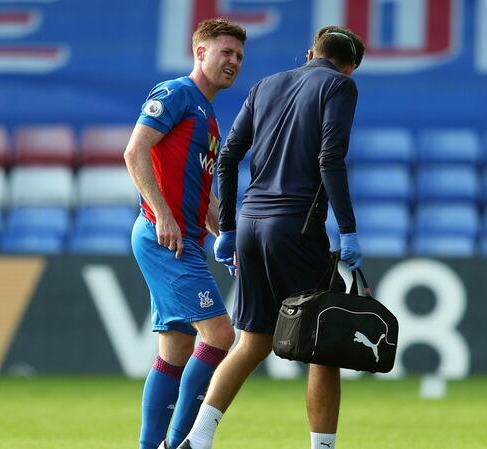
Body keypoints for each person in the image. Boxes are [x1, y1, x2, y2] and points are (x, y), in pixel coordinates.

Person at [176, 26, 365, 449]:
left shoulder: (265, 85)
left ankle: (198, 439)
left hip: (250, 226)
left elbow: (227, 157)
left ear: (310, 51)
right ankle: (323, 447)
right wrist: (348, 230)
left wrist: (227, 228)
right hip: (295, 228)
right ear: (349, 67)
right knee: (324, 344)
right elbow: (330, 157)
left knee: (254, 341)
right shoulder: (340, 88)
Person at [123, 18, 246, 449]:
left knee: (174, 351)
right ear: (200, 52)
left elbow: (203, 197)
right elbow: (134, 151)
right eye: (225, 52)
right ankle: (181, 443)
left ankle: (151, 446)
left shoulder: (208, 119)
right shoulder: (176, 93)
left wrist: (223, 236)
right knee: (220, 335)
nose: (233, 62)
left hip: (182, 237)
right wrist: (163, 215)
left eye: (238, 57)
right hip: (164, 237)